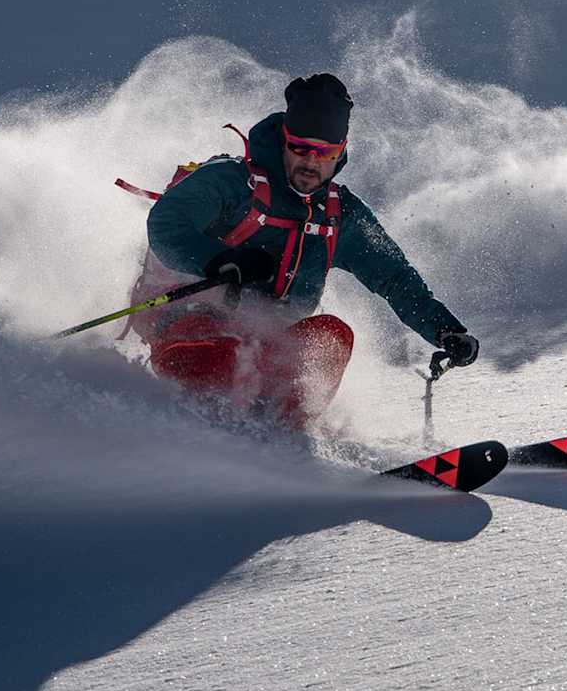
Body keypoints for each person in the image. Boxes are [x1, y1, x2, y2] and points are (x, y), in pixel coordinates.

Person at [129, 73, 479, 429]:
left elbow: (394, 276)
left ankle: (285, 444)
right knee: (219, 350)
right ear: (284, 140)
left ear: (340, 153)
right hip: (185, 321)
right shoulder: (234, 182)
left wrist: (444, 330)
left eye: (324, 152)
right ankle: (210, 440)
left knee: (331, 337)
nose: (311, 162)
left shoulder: (340, 215)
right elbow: (167, 223)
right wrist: (217, 260)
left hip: (265, 338)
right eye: (300, 148)